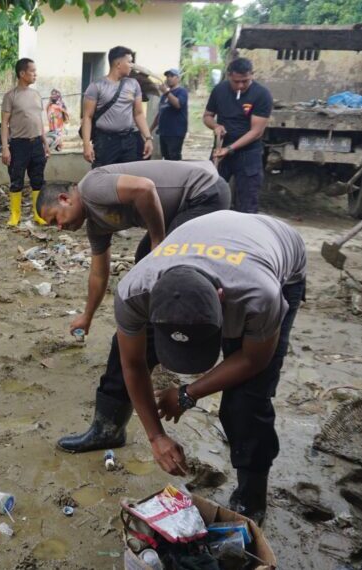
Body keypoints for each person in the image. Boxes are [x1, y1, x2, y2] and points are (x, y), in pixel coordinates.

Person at [115, 210, 306, 523]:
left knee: (247, 398)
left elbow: (253, 359)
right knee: (124, 349)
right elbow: (132, 363)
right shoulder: (134, 290)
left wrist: (187, 394)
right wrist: (156, 436)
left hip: (278, 251)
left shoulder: (261, 294)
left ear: (220, 298)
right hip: (216, 245)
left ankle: (251, 496)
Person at [36, 160, 231, 453]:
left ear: (65, 198)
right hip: (184, 206)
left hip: (203, 197)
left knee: (154, 297)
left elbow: (145, 188)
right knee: (145, 270)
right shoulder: (96, 225)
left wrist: (158, 242)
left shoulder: (91, 186)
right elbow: (99, 273)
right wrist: (87, 316)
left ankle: (153, 352)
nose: (60, 228)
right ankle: (114, 415)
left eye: (55, 220)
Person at [204, 57, 273, 213]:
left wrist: (230, 149)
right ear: (229, 75)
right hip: (220, 152)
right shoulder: (219, 90)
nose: (241, 86)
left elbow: (256, 132)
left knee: (247, 203)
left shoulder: (262, 95)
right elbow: (207, 116)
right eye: (236, 82)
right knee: (211, 196)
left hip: (248, 154)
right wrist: (215, 126)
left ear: (252, 75)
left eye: (245, 81)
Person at [81, 46, 154, 168]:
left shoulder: (133, 84)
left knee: (131, 174)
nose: (132, 66)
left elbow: (139, 114)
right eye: (129, 62)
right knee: (104, 175)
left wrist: (148, 138)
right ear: (118, 64)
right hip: (105, 142)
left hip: (129, 140)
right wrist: (86, 145)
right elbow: (87, 117)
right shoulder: (97, 86)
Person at [1, 58, 49, 227]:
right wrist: (5, 148)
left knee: (38, 180)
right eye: (32, 71)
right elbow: (4, 124)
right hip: (18, 145)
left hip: (36, 144)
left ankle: (38, 214)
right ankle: (15, 215)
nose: (35, 74)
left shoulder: (36, 95)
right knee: (16, 180)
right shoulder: (10, 96)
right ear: (22, 73)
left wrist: (45, 143)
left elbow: (39, 121)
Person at [152, 69, 188, 161]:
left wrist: (166, 92)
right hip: (164, 132)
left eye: (172, 76)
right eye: (167, 76)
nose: (169, 78)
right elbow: (160, 113)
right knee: (166, 158)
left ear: (178, 78)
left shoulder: (182, 91)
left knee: (174, 157)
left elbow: (178, 104)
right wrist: (150, 129)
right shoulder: (164, 96)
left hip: (175, 132)